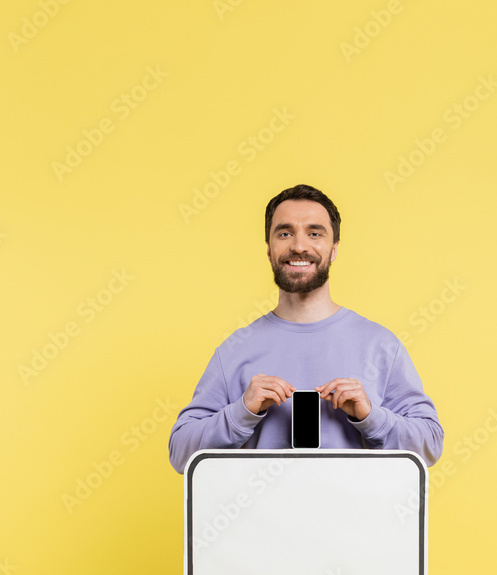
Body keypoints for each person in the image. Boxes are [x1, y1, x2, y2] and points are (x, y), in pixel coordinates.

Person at [168, 183, 443, 473]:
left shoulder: (381, 346)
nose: (299, 246)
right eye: (285, 233)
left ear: (334, 249)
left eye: (315, 233)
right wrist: (242, 412)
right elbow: (180, 452)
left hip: (353, 517)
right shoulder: (234, 350)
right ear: (269, 249)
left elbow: (430, 445)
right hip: (257, 518)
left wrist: (371, 416)